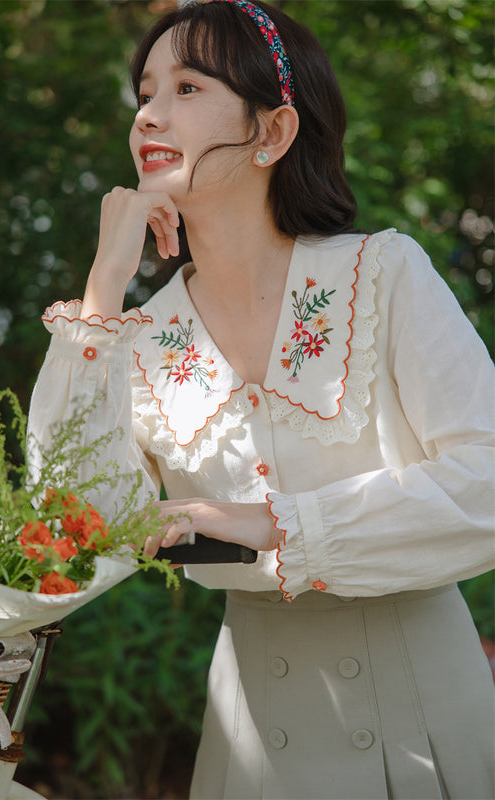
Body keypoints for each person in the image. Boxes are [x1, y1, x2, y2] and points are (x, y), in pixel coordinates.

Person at [28, 1, 495, 797]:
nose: (149, 112)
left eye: (186, 86)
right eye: (144, 91)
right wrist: (103, 287)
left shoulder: (379, 274)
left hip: (426, 716)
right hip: (253, 740)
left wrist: (275, 524)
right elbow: (77, 524)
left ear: (272, 133)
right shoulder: (134, 336)